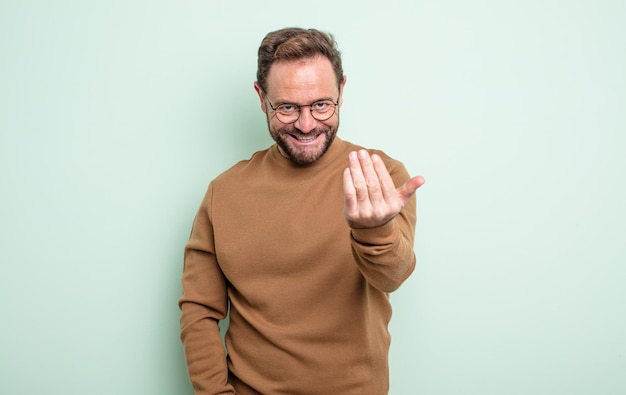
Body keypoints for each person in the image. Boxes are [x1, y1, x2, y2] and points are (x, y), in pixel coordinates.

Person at [179, 27, 425, 395]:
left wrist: (373, 230)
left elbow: (393, 276)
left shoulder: (379, 177)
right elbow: (199, 311)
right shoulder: (224, 192)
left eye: (322, 105)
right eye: (288, 107)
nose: (307, 124)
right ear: (262, 98)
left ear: (342, 90)